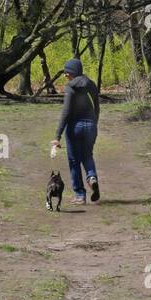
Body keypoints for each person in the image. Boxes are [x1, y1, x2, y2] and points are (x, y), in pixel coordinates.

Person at [52, 58, 101, 204]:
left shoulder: (70, 88)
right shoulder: (91, 84)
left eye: (66, 72)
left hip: (75, 127)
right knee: (87, 156)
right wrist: (94, 123)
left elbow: (66, 113)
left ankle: (80, 195)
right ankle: (92, 177)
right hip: (91, 126)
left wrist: (57, 136)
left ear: (71, 72)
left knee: (74, 161)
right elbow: (97, 106)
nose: (65, 75)